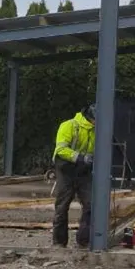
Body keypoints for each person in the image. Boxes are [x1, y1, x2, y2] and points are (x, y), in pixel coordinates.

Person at [52, 103, 96, 248]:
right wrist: (81, 157)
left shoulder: (97, 130)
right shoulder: (69, 126)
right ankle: (59, 242)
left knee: (91, 204)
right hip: (66, 170)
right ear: (90, 117)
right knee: (62, 206)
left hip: (83, 171)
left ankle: (84, 240)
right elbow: (61, 150)